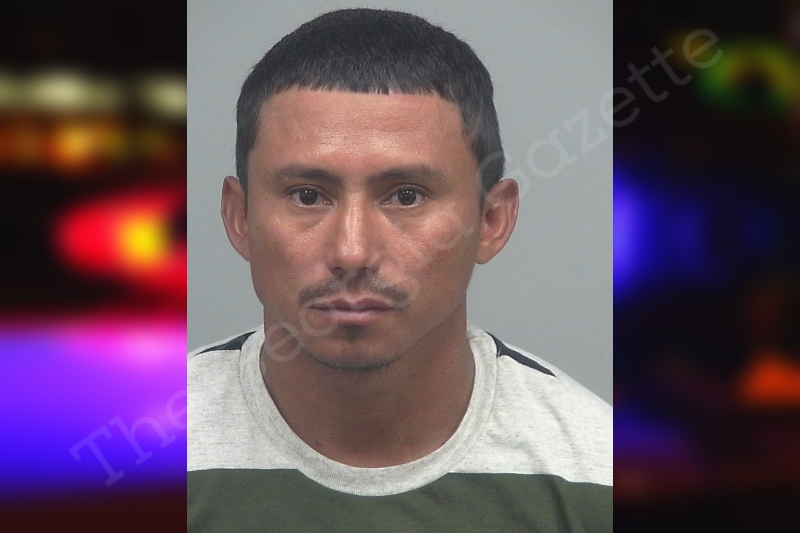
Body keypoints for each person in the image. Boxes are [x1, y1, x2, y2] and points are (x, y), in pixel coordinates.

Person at [188, 8, 611, 532]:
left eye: (407, 196)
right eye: (307, 195)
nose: (352, 251)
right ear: (239, 216)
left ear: (491, 220)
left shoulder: (600, 479)